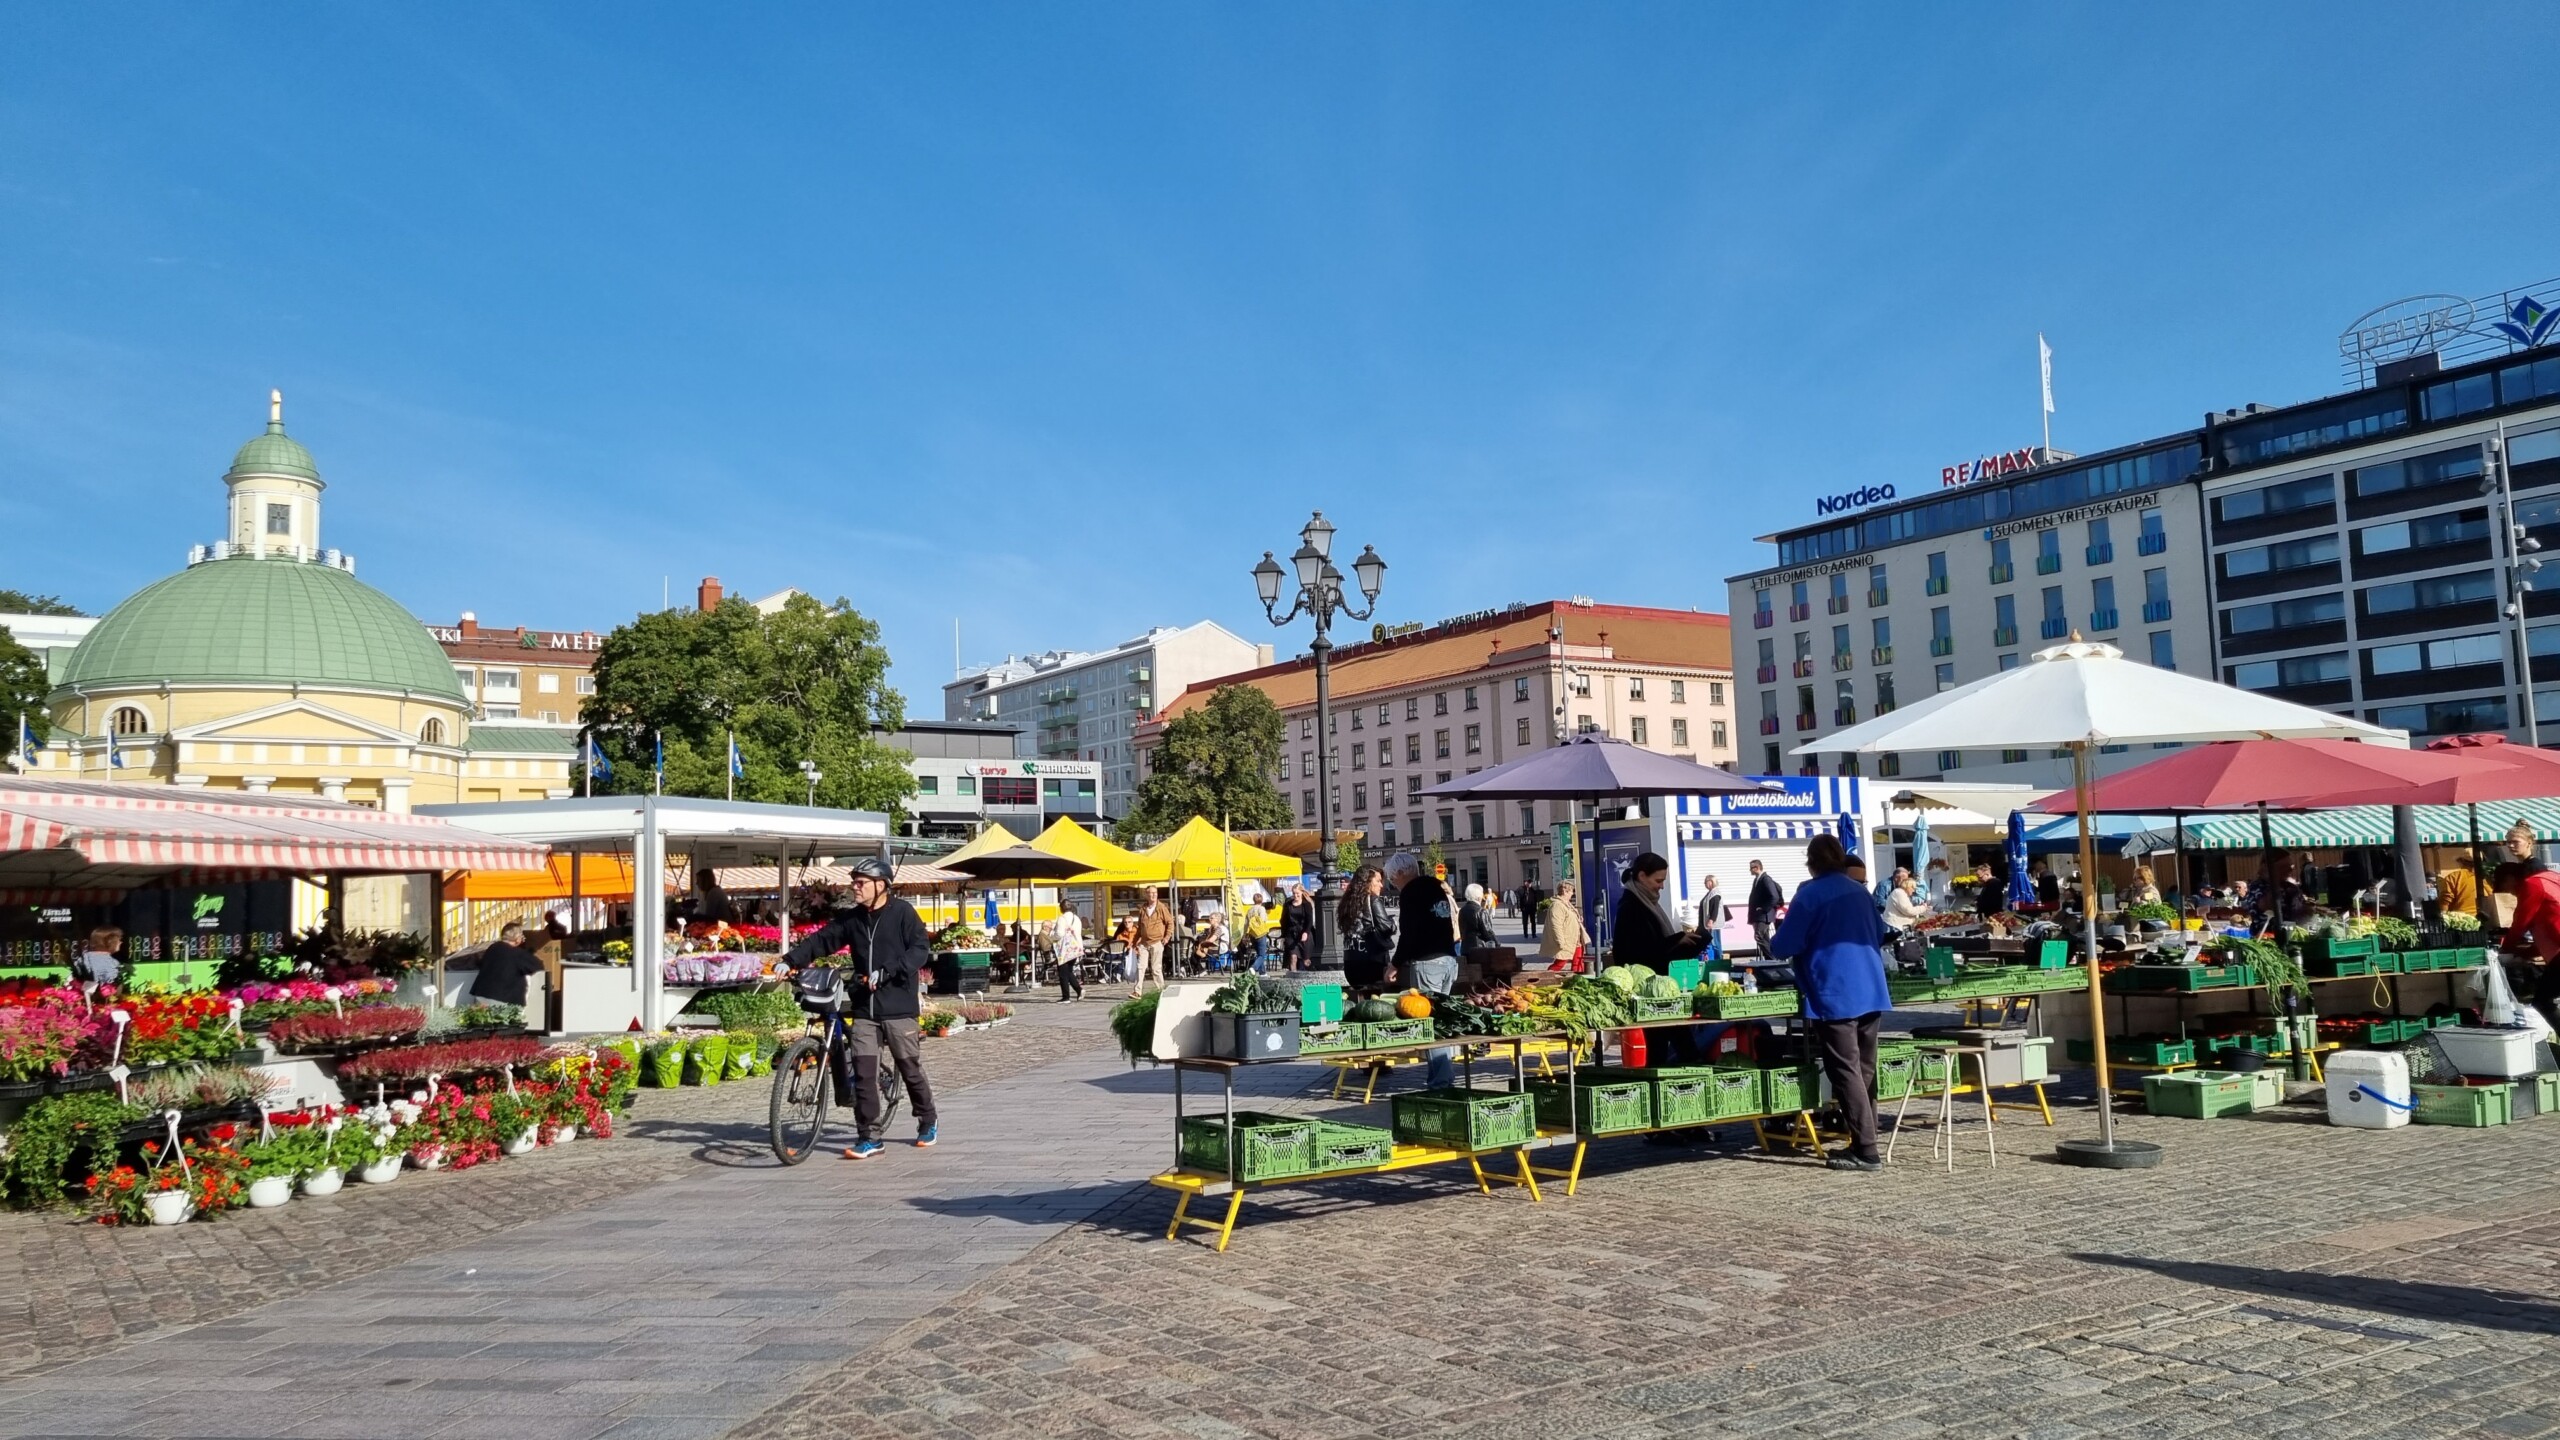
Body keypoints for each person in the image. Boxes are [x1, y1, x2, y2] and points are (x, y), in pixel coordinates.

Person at [782, 856, 942, 1159]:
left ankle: (927, 1117)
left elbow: (920, 950)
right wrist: (789, 960)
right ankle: (869, 1136)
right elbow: (822, 940)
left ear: (881, 886)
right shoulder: (852, 918)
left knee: (909, 1067)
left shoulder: (903, 913)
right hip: (864, 1007)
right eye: (854, 881)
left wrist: (890, 970)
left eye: (861, 882)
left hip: (898, 1005)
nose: (854, 887)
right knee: (865, 1072)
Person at [1764, 834, 1893, 1173]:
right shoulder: (1859, 891)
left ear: (1811, 862)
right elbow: (1879, 934)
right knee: (1864, 1067)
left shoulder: (1810, 895)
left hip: (1835, 991)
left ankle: (1866, 1149)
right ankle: (1866, 1136)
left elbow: (1783, 946)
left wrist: (1778, 931)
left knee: (1845, 1069)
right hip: (1871, 987)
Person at [1385, 852, 1459, 1088]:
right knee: (1441, 1020)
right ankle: (1443, 1076)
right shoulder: (1435, 887)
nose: (1393, 884)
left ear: (1400, 873)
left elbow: (1409, 933)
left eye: (1392, 879)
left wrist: (1395, 963)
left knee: (1430, 1025)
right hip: (1449, 958)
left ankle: (1441, 1082)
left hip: (1428, 963)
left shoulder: (1411, 893)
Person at [1612, 853, 1707, 974]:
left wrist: (1681, 940)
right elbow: (1641, 950)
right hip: (1642, 981)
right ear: (1642, 876)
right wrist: (1677, 940)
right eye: (1658, 881)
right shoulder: (1630, 907)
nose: (1662, 886)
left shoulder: (1647, 902)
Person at [1338, 865, 1396, 991]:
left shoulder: (1347, 902)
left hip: (1351, 964)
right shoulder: (1373, 899)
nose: (1381, 885)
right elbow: (1386, 927)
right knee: (1375, 1003)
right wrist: (1393, 923)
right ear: (1368, 882)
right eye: (1378, 881)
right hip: (1373, 963)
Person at [470, 921, 546, 1011]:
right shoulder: (518, 954)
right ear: (517, 939)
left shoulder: (492, 948)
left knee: (482, 1024)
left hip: (481, 996)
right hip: (503, 1000)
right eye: (522, 937)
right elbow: (538, 966)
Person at [1131, 887, 1175, 989]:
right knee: (1140, 967)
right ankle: (1137, 991)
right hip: (1144, 942)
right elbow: (1140, 927)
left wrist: (1167, 937)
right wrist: (1134, 942)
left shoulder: (1161, 907)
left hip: (1157, 941)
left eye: (1155, 893)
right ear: (1146, 895)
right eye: (1151, 893)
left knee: (1156, 968)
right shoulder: (1143, 909)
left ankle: (1161, 990)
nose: (1153, 895)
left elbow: (1170, 923)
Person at [1540, 880, 1587, 971]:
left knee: (1578, 964)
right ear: (1565, 891)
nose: (1572, 894)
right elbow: (1556, 925)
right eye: (1571, 891)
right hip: (1566, 941)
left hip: (1576, 941)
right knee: (1559, 964)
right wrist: (1560, 942)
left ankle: (1576, 981)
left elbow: (1569, 919)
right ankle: (1546, 978)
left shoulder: (1567, 904)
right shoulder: (1557, 905)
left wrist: (1578, 920)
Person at [1746, 860, 1785, 953]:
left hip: (1765, 915)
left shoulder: (1765, 879)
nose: (1749, 870)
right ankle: (1770, 961)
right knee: (1764, 938)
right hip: (1760, 915)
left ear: (1757, 868)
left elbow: (1774, 897)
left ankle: (1773, 959)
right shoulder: (1758, 879)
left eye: (1751, 868)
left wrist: (1764, 908)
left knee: (1758, 936)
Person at [72, 925, 123, 989]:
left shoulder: (83, 958)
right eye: (119, 940)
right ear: (110, 942)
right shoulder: (112, 963)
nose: (121, 942)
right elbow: (112, 986)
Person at [1053, 906, 1085, 1002]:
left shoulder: (1062, 918)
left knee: (1063, 972)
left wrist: (1051, 935)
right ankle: (1079, 990)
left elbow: (1060, 934)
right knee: (1068, 971)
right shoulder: (1077, 918)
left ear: (1061, 908)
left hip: (1065, 949)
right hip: (1076, 947)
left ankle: (1066, 997)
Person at [1282, 883, 1318, 970]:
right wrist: (1284, 934)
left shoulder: (1306, 904)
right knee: (1293, 958)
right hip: (1291, 934)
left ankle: (1310, 978)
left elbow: (1309, 921)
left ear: (1302, 892)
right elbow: (1283, 920)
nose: (1295, 895)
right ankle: (1293, 979)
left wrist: (1306, 932)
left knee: (1306, 961)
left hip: (1304, 933)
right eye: (1294, 893)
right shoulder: (1288, 904)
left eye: (1297, 893)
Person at [1458, 882, 1500, 954]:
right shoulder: (1481, 911)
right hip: (1479, 950)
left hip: (1465, 949)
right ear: (1479, 897)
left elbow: (1462, 931)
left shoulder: (1462, 910)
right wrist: (1497, 944)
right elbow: (1488, 932)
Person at [1696, 876, 1727, 963]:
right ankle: (1712, 961)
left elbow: (1715, 909)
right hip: (1707, 924)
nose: (1705, 884)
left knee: (1715, 943)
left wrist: (1711, 920)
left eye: (1705, 882)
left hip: (1713, 925)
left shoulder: (1715, 893)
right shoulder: (1710, 893)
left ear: (1711, 882)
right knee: (1710, 944)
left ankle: (1719, 961)